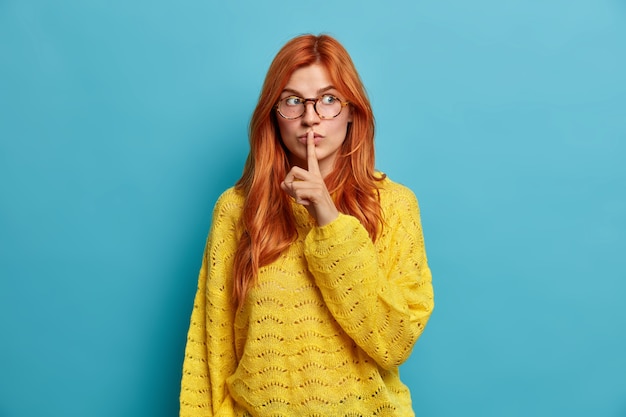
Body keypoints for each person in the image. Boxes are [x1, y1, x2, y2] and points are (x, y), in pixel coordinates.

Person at [179, 34, 434, 417]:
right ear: (274, 113)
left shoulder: (395, 206)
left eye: (329, 99)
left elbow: (393, 341)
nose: (311, 116)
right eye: (293, 101)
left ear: (352, 112)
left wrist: (328, 218)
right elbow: (209, 352)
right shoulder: (236, 210)